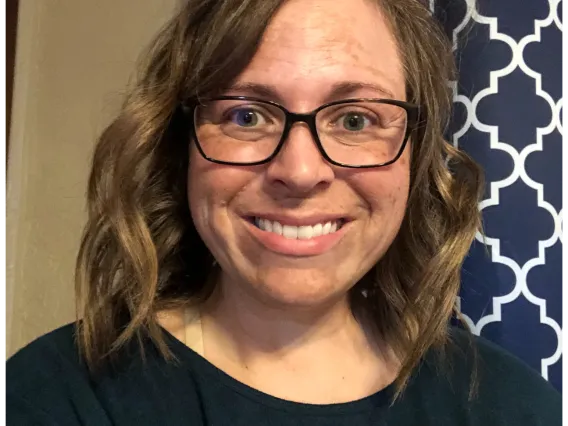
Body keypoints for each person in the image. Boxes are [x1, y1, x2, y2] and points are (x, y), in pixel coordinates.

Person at [5, 0, 562, 424]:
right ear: (180, 147)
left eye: (355, 120)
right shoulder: (56, 396)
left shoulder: (511, 406)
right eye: (246, 116)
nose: (299, 172)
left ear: (415, 159)